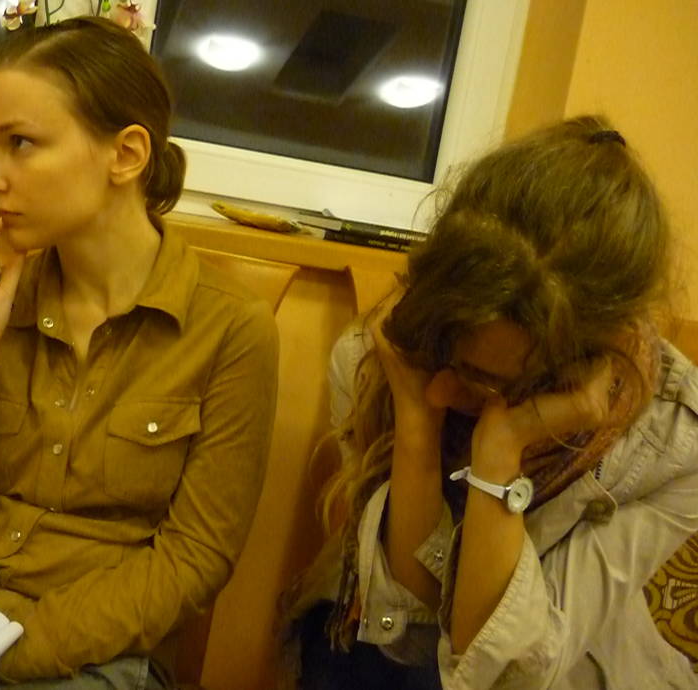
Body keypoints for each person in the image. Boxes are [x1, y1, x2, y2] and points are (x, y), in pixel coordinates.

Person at [0, 17, 279, 688]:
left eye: (20, 144)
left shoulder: (231, 329)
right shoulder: (0, 292)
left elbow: (194, 559)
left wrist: (6, 651)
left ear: (126, 155)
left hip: (90, 651)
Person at [281, 116, 698, 689]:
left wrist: (500, 448)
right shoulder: (379, 357)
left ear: (585, 361)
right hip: (379, 651)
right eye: (450, 358)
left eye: (488, 383)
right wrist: (417, 421)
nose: (442, 391)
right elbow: (411, 624)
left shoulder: (675, 444)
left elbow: (505, 671)